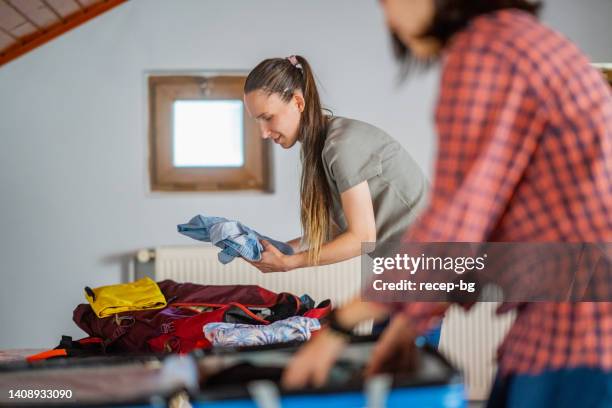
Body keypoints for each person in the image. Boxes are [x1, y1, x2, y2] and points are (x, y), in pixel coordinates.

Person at [281, 1, 612, 407]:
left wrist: (340, 328)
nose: (387, 18)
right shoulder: (522, 41)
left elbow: (453, 232)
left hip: (583, 325)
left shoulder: (486, 52)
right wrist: (406, 325)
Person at [243, 55, 428, 272]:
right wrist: (281, 249)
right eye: (258, 121)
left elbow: (362, 236)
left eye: (268, 117)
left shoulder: (342, 146)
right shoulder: (318, 149)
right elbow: (337, 228)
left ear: (298, 102)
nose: (263, 133)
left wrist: (290, 263)